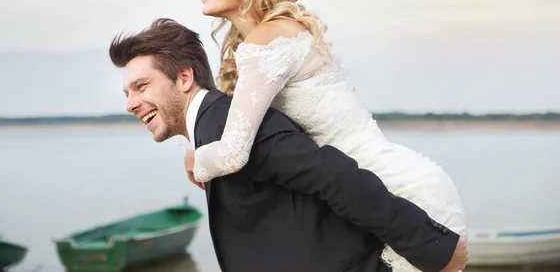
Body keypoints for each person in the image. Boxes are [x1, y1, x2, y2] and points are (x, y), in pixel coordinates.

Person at [187, 0, 468, 272]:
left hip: (394, 200)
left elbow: (232, 155)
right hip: (387, 185)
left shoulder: (265, 42)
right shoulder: (279, 33)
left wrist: (195, 160)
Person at [109, 18, 468, 272]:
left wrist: (433, 248)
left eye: (142, 86)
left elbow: (331, 174)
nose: (130, 104)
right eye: (127, 93)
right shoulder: (212, 131)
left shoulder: (223, 121)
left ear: (184, 77)